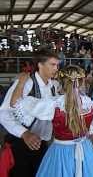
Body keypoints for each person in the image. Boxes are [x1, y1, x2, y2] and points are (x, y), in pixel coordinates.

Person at [9, 65, 93, 177]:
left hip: (60, 152)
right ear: (82, 83)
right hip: (85, 151)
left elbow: (15, 104)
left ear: (60, 83)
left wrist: (21, 82)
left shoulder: (53, 105)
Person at [0, 48, 59, 177]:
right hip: (20, 143)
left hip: (42, 142)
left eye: (57, 65)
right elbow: (4, 113)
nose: (56, 68)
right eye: (53, 64)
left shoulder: (53, 86)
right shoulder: (25, 83)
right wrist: (25, 133)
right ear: (40, 65)